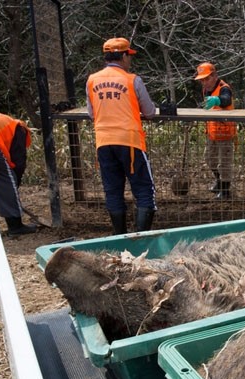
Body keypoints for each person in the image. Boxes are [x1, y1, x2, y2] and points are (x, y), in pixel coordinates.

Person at [87, 37, 157, 234]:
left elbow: (92, 113)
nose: (130, 60)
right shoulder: (132, 79)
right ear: (124, 56)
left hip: (104, 142)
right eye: (129, 56)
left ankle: (119, 236)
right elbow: (150, 112)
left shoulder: (92, 80)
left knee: (113, 191)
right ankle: (141, 236)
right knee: (144, 189)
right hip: (130, 141)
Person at [194, 62, 237, 200]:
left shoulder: (224, 88)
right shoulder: (206, 90)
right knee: (209, 159)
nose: (204, 83)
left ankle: (225, 191)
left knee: (224, 163)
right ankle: (219, 182)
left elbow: (226, 100)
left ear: (215, 76)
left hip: (225, 133)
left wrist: (217, 100)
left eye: (207, 79)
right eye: (202, 80)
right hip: (212, 132)